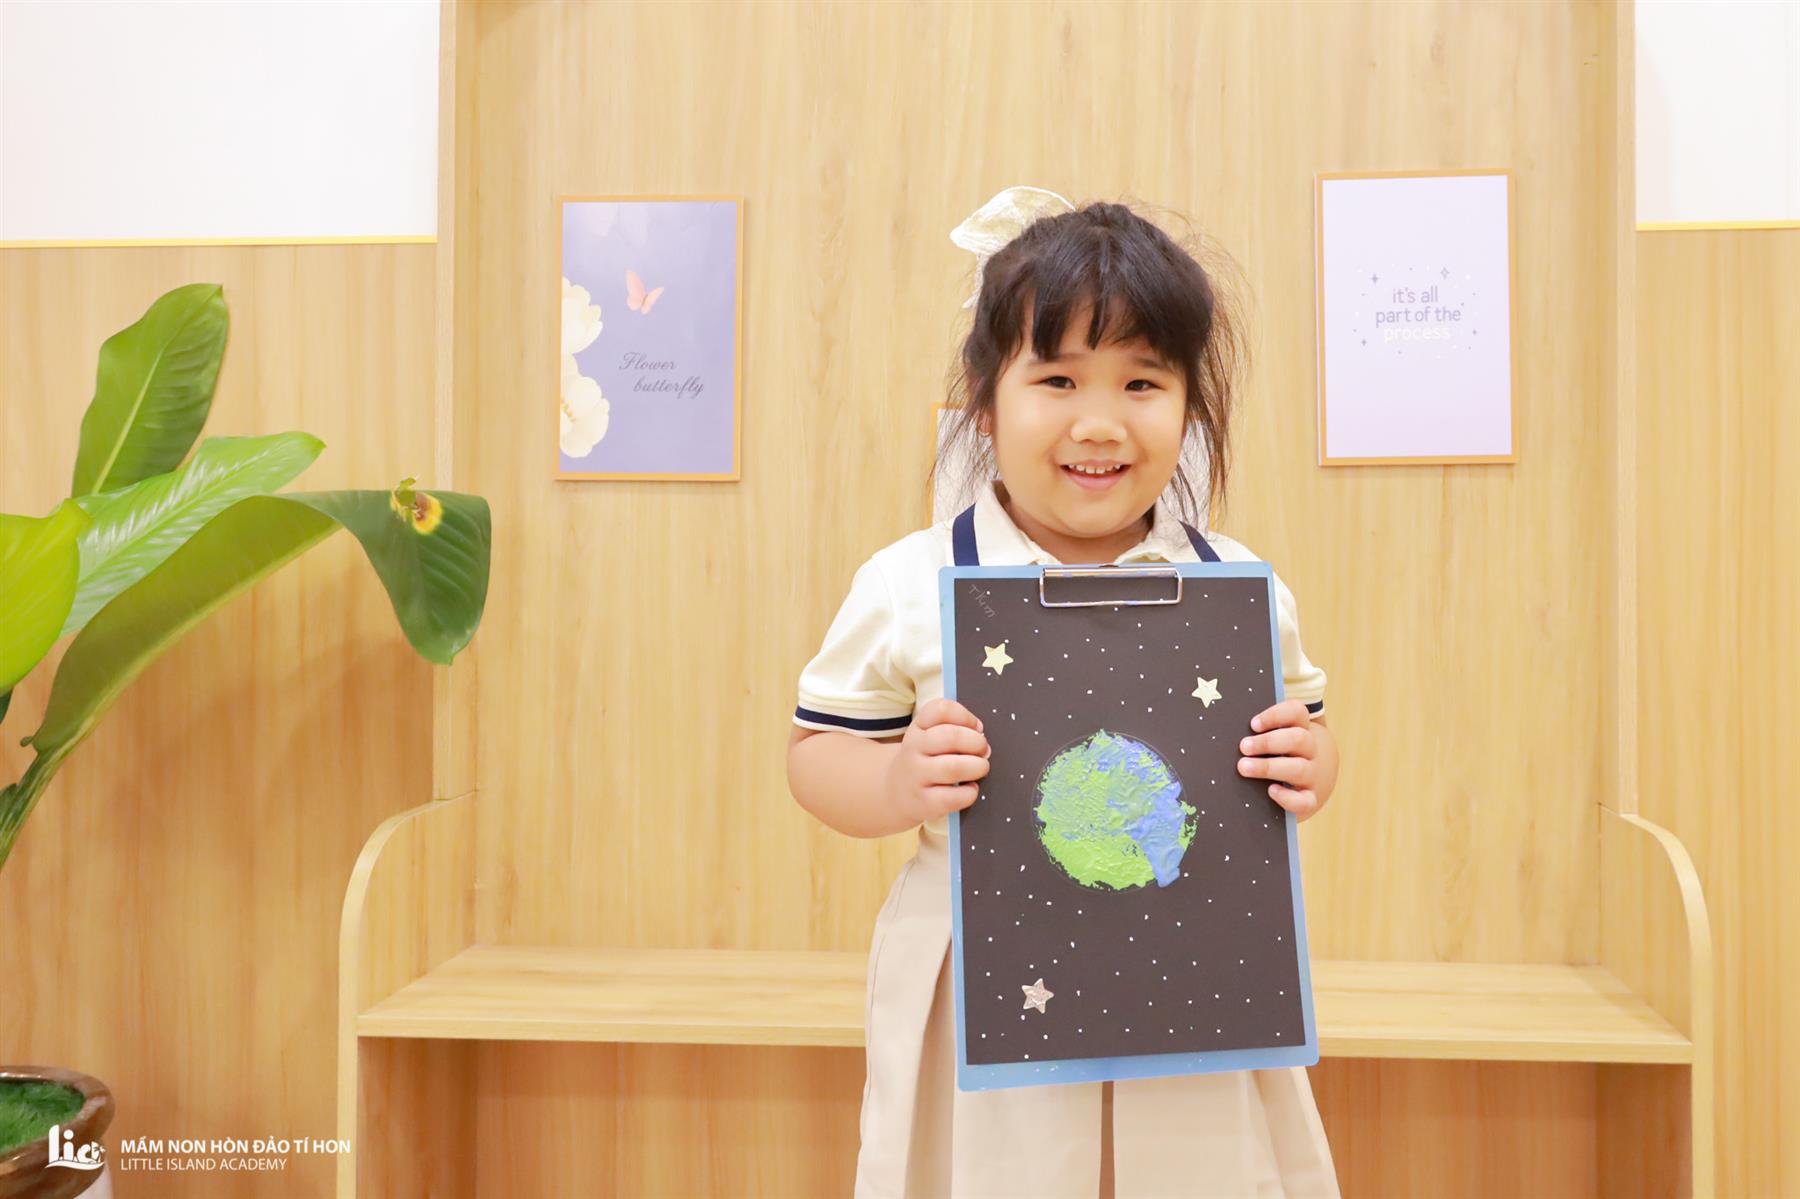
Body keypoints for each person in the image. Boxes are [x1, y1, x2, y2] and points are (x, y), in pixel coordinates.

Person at [786, 187, 1341, 1198]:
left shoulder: (1236, 585)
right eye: (1056, 378)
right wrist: (899, 780)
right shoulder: (914, 581)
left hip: (1196, 974)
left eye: (1142, 381)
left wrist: (1308, 764)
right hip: (988, 982)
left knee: (1199, 1172)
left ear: (1190, 406)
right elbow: (817, 754)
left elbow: (1308, 731)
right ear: (985, 398)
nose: (1099, 421)